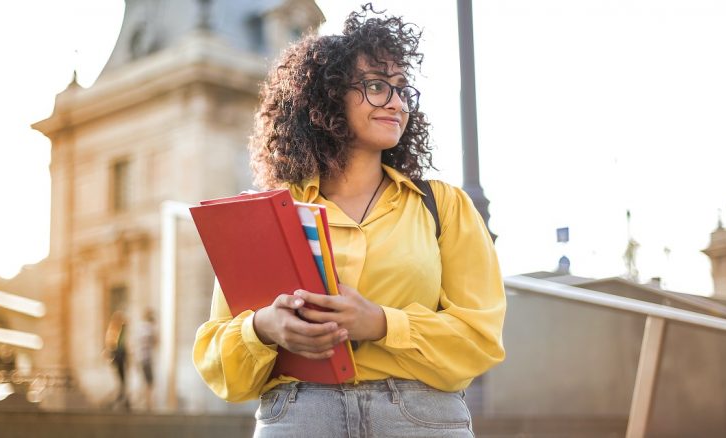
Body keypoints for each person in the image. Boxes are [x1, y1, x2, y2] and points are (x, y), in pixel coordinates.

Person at [193, 4, 505, 437]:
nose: (396, 102)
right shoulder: (267, 214)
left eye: (402, 89)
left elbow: (481, 338)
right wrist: (264, 327)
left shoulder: (443, 206)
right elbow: (218, 359)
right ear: (327, 98)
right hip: (300, 415)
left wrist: (380, 322)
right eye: (376, 86)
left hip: (421, 417)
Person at [104, 310, 129, 409]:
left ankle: (122, 397)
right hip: (118, 356)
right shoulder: (115, 330)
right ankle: (121, 397)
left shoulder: (119, 330)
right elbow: (112, 344)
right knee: (121, 379)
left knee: (122, 379)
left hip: (120, 356)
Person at [135, 308, 158, 410]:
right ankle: (148, 403)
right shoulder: (148, 328)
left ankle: (145, 402)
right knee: (149, 382)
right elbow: (155, 341)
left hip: (140, 358)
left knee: (145, 381)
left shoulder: (140, 327)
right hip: (146, 358)